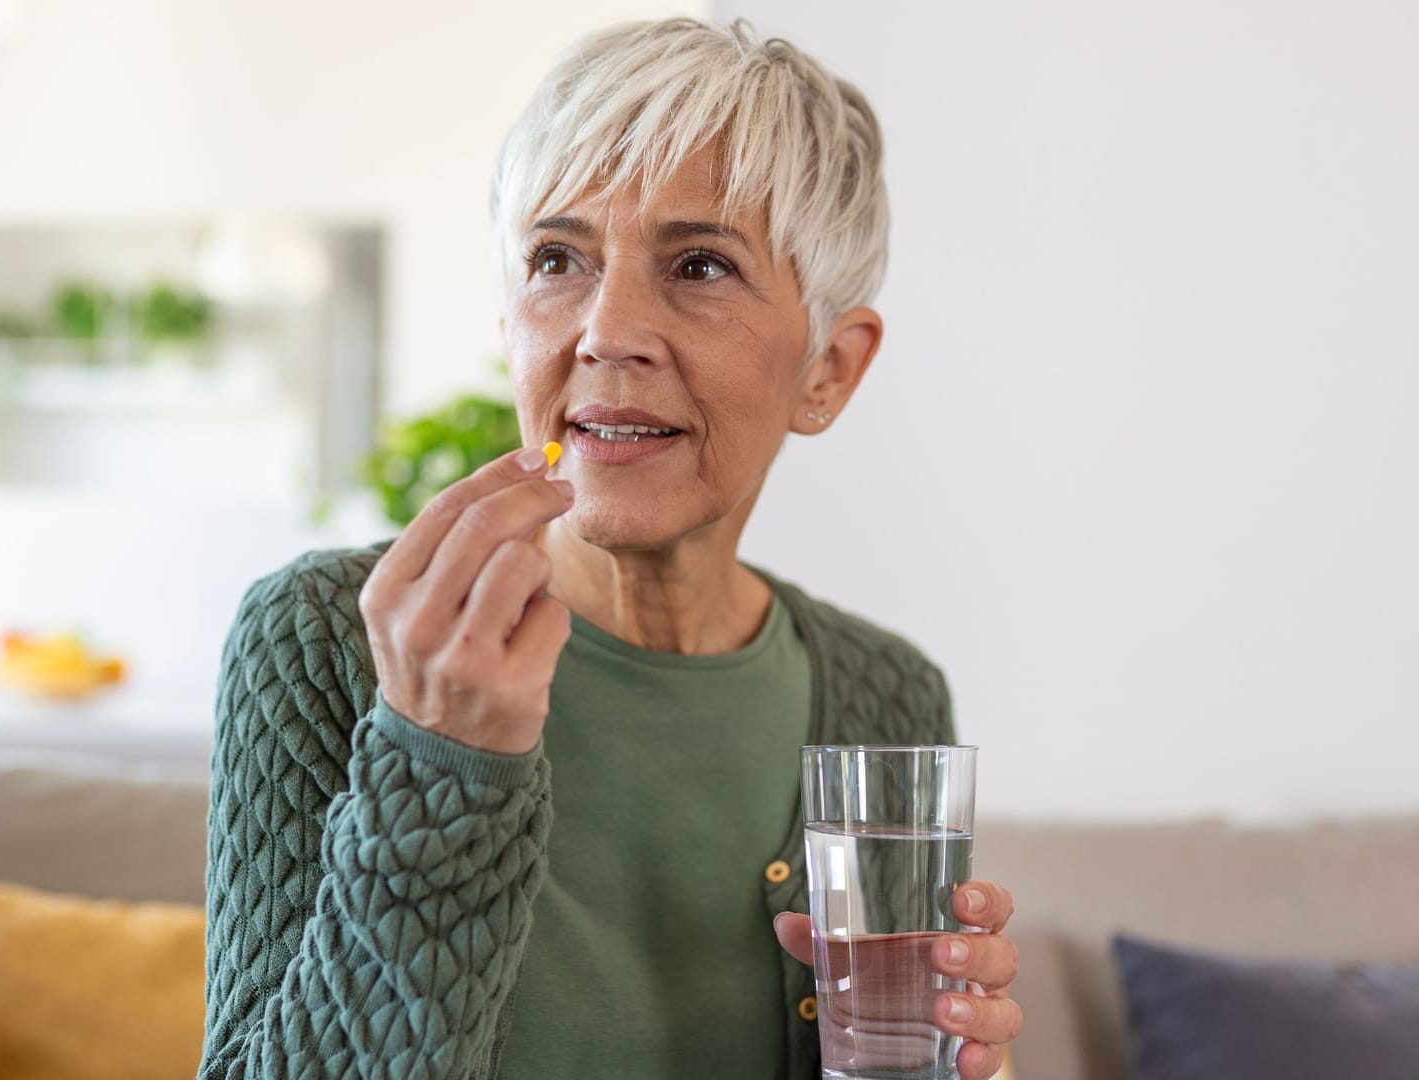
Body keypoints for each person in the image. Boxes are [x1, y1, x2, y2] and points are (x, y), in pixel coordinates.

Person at [201, 16, 1022, 1079]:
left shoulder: (886, 697)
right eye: (557, 258)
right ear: (510, 324)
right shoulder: (328, 641)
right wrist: (437, 760)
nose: (605, 328)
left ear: (829, 368)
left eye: (700, 264)